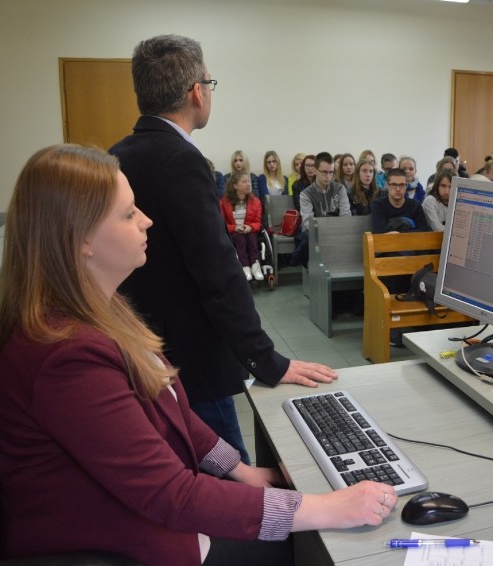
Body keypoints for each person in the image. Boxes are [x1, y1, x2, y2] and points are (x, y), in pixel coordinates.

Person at [0, 143, 398, 565]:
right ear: (81, 238)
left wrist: (241, 471)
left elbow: (171, 407)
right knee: (322, 546)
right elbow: (171, 494)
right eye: (128, 214)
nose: (146, 220)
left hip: (140, 521)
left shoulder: (99, 310)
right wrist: (329, 509)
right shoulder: (65, 356)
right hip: (119, 545)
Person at [109, 35, 336, 466]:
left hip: (141, 348)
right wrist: (265, 360)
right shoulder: (183, 160)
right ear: (197, 92)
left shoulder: (117, 155)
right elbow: (217, 272)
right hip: (190, 361)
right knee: (229, 479)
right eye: (209, 83)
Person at [290, 152, 352, 267]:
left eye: (331, 172)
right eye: (324, 172)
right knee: (308, 238)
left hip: (338, 232)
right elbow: (309, 222)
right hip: (317, 234)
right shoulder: (306, 194)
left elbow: (346, 216)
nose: (328, 176)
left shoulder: (339, 188)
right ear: (315, 170)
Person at [220, 172, 264, 281]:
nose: (248, 184)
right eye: (244, 182)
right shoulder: (224, 202)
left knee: (252, 239)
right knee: (239, 239)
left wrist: (250, 227)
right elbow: (222, 223)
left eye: (249, 181)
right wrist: (234, 228)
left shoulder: (256, 201)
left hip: (250, 231)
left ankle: (255, 266)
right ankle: (245, 267)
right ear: (235, 185)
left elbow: (258, 222)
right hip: (234, 232)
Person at [370, 167, 429, 234]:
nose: (398, 189)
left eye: (401, 185)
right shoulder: (378, 205)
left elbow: (423, 230)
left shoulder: (416, 205)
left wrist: (399, 234)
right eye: (394, 184)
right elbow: (380, 231)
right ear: (387, 185)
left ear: (406, 186)